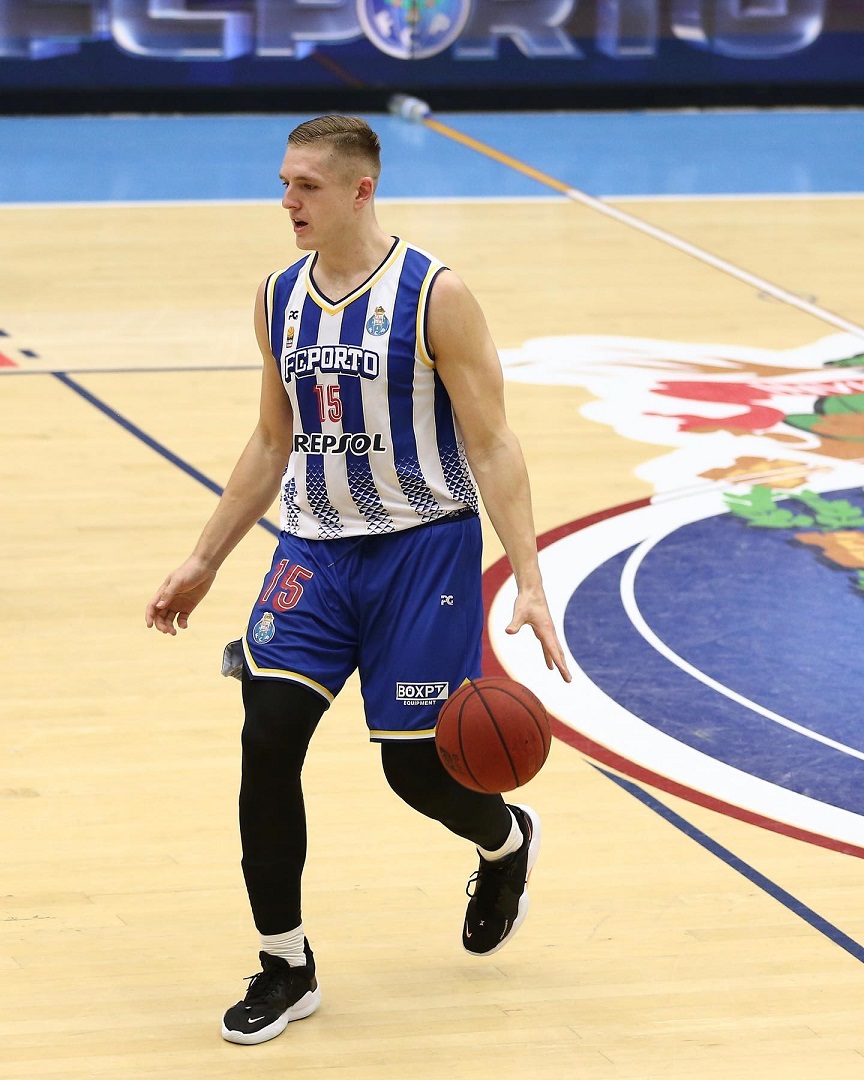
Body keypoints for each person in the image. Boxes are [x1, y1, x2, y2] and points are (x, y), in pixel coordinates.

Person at [145, 114, 571, 1046]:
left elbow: (494, 443)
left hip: (425, 550)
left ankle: (504, 843)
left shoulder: (435, 295)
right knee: (267, 742)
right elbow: (273, 441)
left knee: (413, 768)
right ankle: (284, 963)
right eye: (283, 183)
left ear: (359, 190)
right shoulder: (277, 297)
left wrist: (531, 580)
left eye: (305, 186)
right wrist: (204, 558)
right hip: (314, 552)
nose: (287, 201)